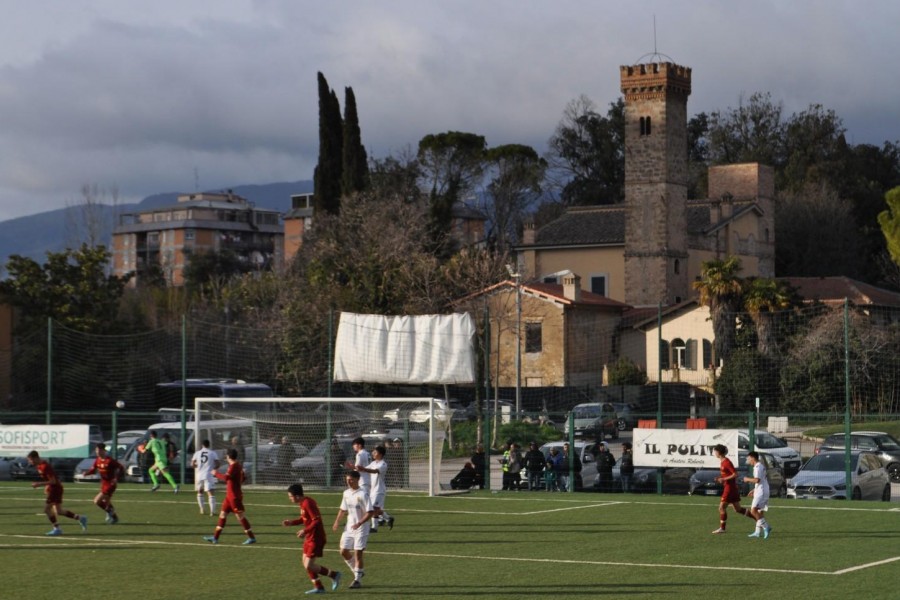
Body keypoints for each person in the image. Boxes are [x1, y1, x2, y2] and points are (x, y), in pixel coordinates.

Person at [284, 482, 342, 594]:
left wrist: (304, 530)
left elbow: (316, 520)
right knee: (305, 562)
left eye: (290, 496)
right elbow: (304, 519)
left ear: (297, 496)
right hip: (310, 537)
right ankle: (319, 587)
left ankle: (334, 575)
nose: (290, 499)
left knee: (309, 565)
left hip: (316, 538)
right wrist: (292, 522)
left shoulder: (308, 503)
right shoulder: (303, 503)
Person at [26, 450, 87, 535]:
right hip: (54, 488)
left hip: (55, 489)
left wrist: (39, 484)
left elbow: (53, 481)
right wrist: (47, 486)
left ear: (36, 458)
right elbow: (51, 480)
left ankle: (57, 528)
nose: (30, 462)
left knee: (47, 509)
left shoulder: (45, 466)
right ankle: (80, 518)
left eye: (31, 460)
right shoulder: (39, 466)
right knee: (59, 511)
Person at [203, 448, 256, 545]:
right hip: (229, 496)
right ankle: (215, 538)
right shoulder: (236, 465)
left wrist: (216, 474)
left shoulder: (234, 466)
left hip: (234, 497)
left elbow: (226, 478)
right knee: (222, 515)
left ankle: (251, 537)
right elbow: (243, 477)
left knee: (240, 516)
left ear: (228, 456)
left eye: (226, 455)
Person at [332, 471, 374, 589]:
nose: (349, 482)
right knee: (343, 551)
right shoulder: (346, 493)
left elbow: (370, 512)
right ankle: (358, 571)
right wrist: (336, 522)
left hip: (362, 528)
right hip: (349, 527)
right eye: (347, 480)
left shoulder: (363, 494)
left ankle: (357, 580)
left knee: (358, 553)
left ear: (357, 480)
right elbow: (342, 509)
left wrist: (359, 523)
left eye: (351, 480)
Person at [711, 444, 756, 534]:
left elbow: (735, 474)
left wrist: (723, 479)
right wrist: (720, 478)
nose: (714, 453)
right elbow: (727, 475)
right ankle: (758, 519)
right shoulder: (723, 462)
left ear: (719, 452)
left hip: (729, 489)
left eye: (715, 451)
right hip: (731, 488)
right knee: (738, 509)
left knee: (721, 508)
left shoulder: (727, 462)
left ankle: (722, 528)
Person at [353, 445, 394, 531]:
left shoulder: (383, 464)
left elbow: (374, 471)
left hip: (379, 490)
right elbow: (364, 469)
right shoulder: (373, 463)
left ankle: (374, 527)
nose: (373, 453)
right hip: (373, 490)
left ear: (380, 454)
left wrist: (363, 468)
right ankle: (388, 518)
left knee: (373, 509)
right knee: (375, 509)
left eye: (375, 452)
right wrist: (353, 467)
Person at [82, 442, 124, 524]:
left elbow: (121, 468)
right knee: (107, 502)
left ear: (103, 451)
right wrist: (86, 473)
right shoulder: (97, 460)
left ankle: (110, 512)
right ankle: (114, 517)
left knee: (97, 501)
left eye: (98, 450)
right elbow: (93, 470)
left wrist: (116, 478)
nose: (97, 452)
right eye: (96, 450)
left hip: (111, 484)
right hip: (104, 483)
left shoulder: (110, 461)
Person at [743, 451, 773, 539]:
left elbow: (757, 480)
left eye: (748, 459)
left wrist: (747, 479)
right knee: (759, 511)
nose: (748, 460)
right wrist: (754, 489)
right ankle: (757, 532)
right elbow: (761, 481)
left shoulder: (758, 467)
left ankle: (766, 527)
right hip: (761, 490)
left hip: (762, 492)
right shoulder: (759, 466)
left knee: (753, 511)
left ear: (752, 458)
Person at [191, 439, 221, 515]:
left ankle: (202, 509)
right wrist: (214, 468)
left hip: (199, 474)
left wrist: (197, 466)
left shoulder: (197, 453)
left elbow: (192, 464)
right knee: (210, 492)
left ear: (202, 445)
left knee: (200, 491)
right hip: (208, 474)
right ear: (209, 445)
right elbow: (218, 464)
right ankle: (212, 511)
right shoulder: (212, 453)